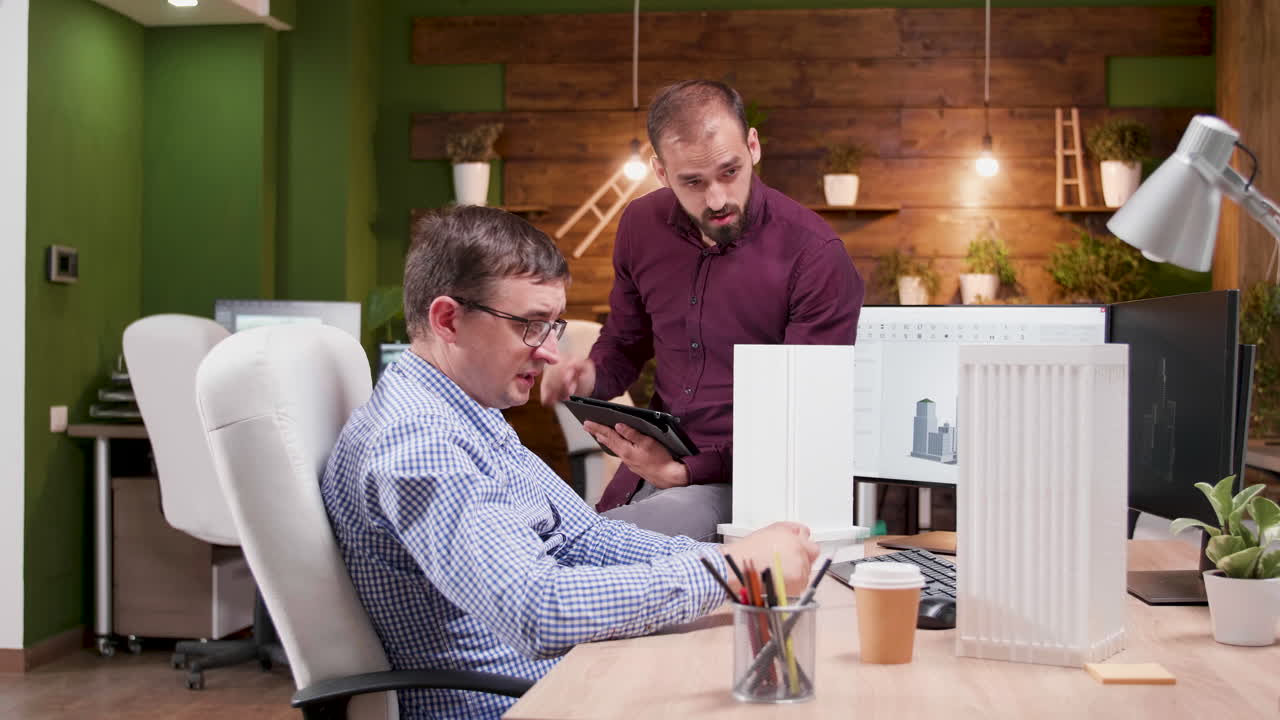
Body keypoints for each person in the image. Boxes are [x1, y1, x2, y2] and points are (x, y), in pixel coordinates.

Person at [320, 205, 820, 720]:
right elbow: (539, 610)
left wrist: (739, 561)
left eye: (552, 326)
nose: (552, 355)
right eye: (531, 326)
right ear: (448, 319)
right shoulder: (419, 444)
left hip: (560, 679)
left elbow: (584, 537)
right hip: (513, 703)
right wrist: (731, 572)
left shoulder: (469, 412)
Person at [541, 80, 864, 540]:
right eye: (692, 182)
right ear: (660, 171)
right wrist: (587, 376)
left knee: (595, 548)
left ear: (753, 146)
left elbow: (804, 422)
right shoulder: (640, 226)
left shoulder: (815, 256)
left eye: (729, 172)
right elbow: (625, 343)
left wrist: (687, 472)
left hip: (754, 484)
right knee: (571, 540)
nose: (716, 199)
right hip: (654, 468)